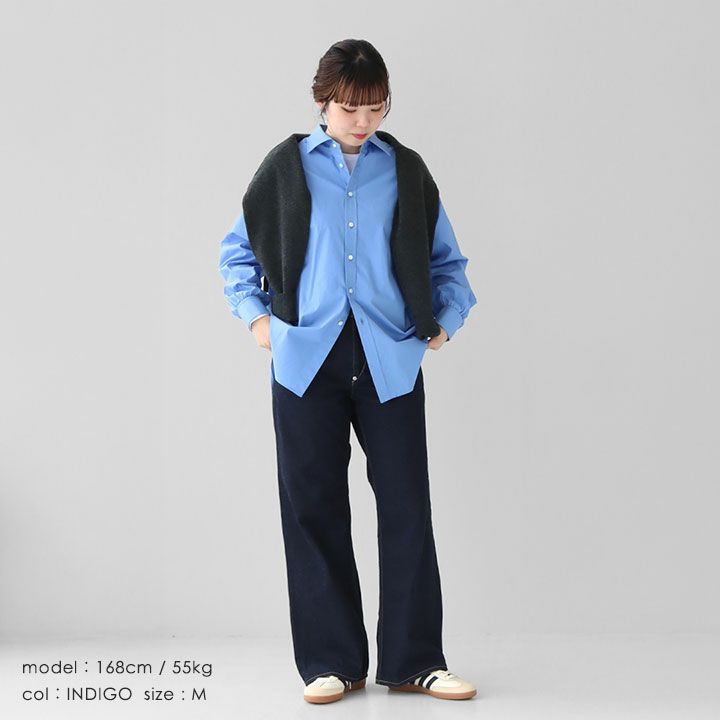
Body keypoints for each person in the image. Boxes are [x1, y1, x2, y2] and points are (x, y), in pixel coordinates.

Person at [219, 38, 478, 704]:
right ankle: (331, 662)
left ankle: (416, 661)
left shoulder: (406, 171)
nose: (363, 121)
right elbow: (236, 255)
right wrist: (259, 324)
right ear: (322, 102)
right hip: (307, 361)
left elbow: (448, 262)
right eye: (349, 108)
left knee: (407, 507)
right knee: (313, 509)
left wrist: (444, 321)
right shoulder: (286, 168)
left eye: (376, 107)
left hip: (389, 358)